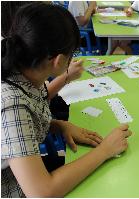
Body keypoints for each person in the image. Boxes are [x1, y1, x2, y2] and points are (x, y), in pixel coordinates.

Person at [1, 3, 132, 197]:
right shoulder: (12, 103)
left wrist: (59, 125)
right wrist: (105, 150)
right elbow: (41, 193)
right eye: (73, 55)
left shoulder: (24, 71)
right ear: (59, 60)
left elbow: (31, 113)